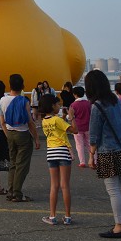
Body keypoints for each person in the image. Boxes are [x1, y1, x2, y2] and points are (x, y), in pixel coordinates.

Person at [85, 69, 121, 239]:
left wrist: (91, 155)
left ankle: (119, 226)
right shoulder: (116, 101)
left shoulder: (97, 106)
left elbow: (94, 134)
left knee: (113, 190)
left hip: (108, 151)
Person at [0, 74, 39, 203]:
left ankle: (11, 190)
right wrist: (36, 138)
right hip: (23, 134)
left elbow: (2, 121)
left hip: (10, 133)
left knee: (13, 163)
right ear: (22, 86)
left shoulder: (3, 100)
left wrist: (7, 133)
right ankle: (17, 193)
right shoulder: (24, 101)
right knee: (22, 165)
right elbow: (30, 122)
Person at [39, 94, 77, 226]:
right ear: (52, 106)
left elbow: (57, 127)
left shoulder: (44, 121)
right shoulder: (57, 120)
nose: (59, 106)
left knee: (54, 186)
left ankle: (52, 216)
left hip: (51, 153)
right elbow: (75, 130)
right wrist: (71, 117)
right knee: (65, 185)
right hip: (63, 151)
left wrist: (64, 117)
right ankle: (67, 217)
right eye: (57, 104)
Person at [67, 86, 92, 167]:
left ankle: (82, 162)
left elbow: (70, 117)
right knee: (89, 143)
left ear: (74, 94)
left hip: (77, 127)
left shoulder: (73, 105)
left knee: (79, 144)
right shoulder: (88, 103)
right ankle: (94, 160)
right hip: (88, 126)